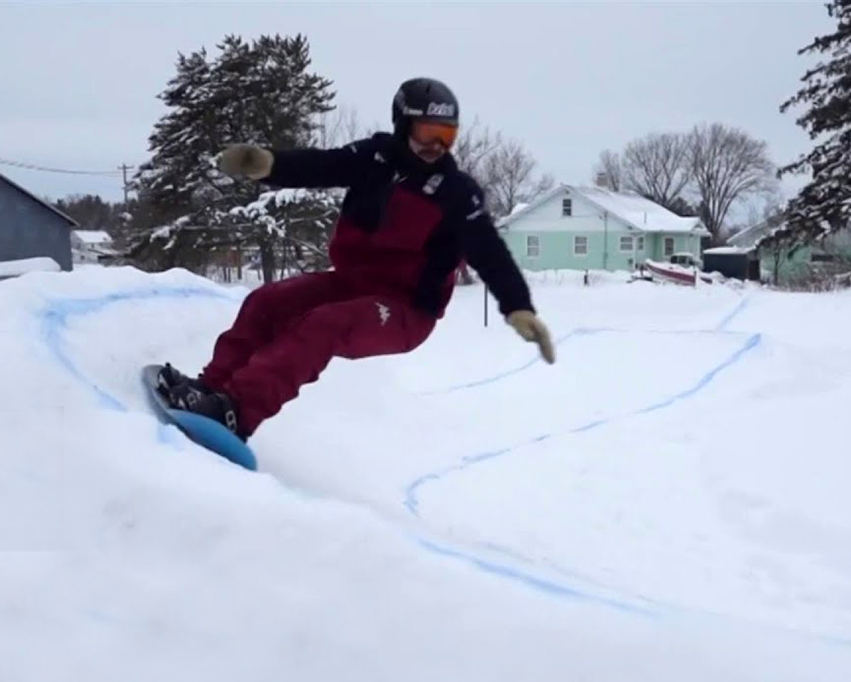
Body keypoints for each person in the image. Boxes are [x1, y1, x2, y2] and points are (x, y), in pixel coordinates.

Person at [157, 77, 555, 441]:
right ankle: (212, 389)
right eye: (427, 133)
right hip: (351, 284)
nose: (436, 146)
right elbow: (320, 165)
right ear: (403, 126)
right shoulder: (375, 158)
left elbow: (488, 249)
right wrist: (268, 165)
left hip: (405, 310)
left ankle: (236, 413)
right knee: (266, 302)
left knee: (325, 324)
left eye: (446, 136)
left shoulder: (456, 192)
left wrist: (518, 306)